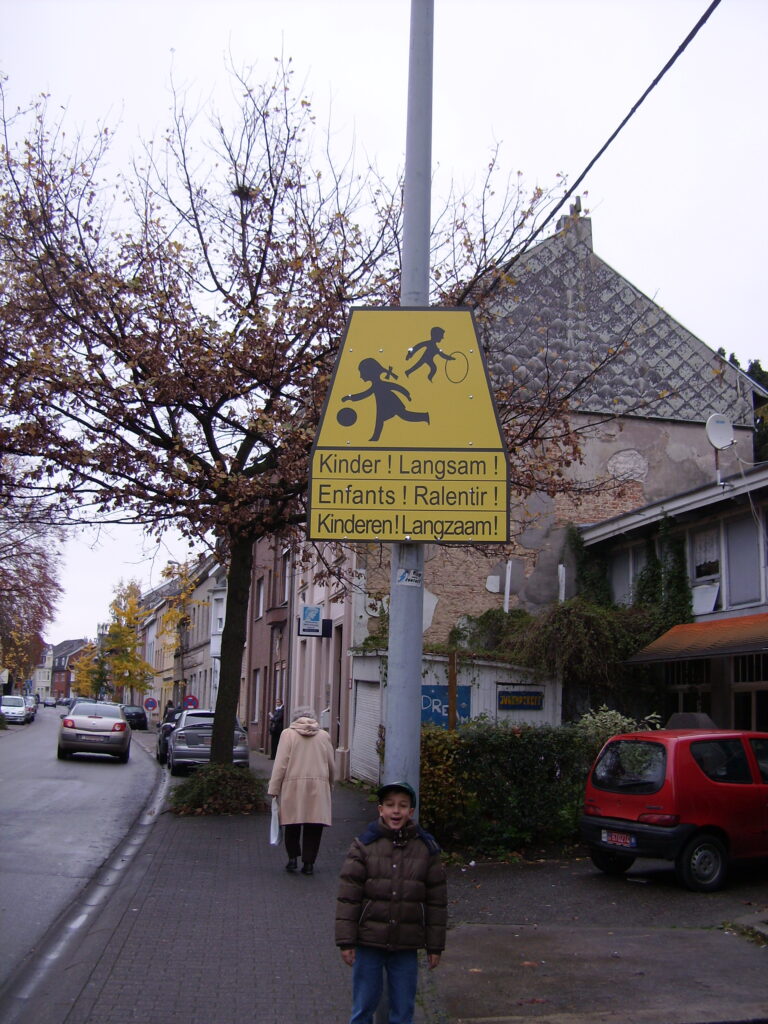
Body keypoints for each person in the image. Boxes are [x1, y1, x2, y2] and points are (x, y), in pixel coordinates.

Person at [335, 781, 447, 1024]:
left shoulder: (426, 849)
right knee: (363, 1007)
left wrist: (435, 946)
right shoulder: (364, 846)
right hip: (368, 942)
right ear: (380, 810)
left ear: (411, 812)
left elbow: (436, 901)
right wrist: (346, 941)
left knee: (403, 1009)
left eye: (402, 806)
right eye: (390, 805)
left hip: (406, 945)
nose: (396, 811)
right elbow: (348, 897)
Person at [268, 706, 335, 875]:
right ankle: (309, 863)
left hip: (293, 786)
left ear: (294, 719)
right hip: (318, 786)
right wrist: (330, 785)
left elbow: (280, 764)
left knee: (292, 823)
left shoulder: (287, 734)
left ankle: (292, 859)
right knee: (314, 825)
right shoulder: (323, 736)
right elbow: (331, 764)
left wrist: (274, 788)